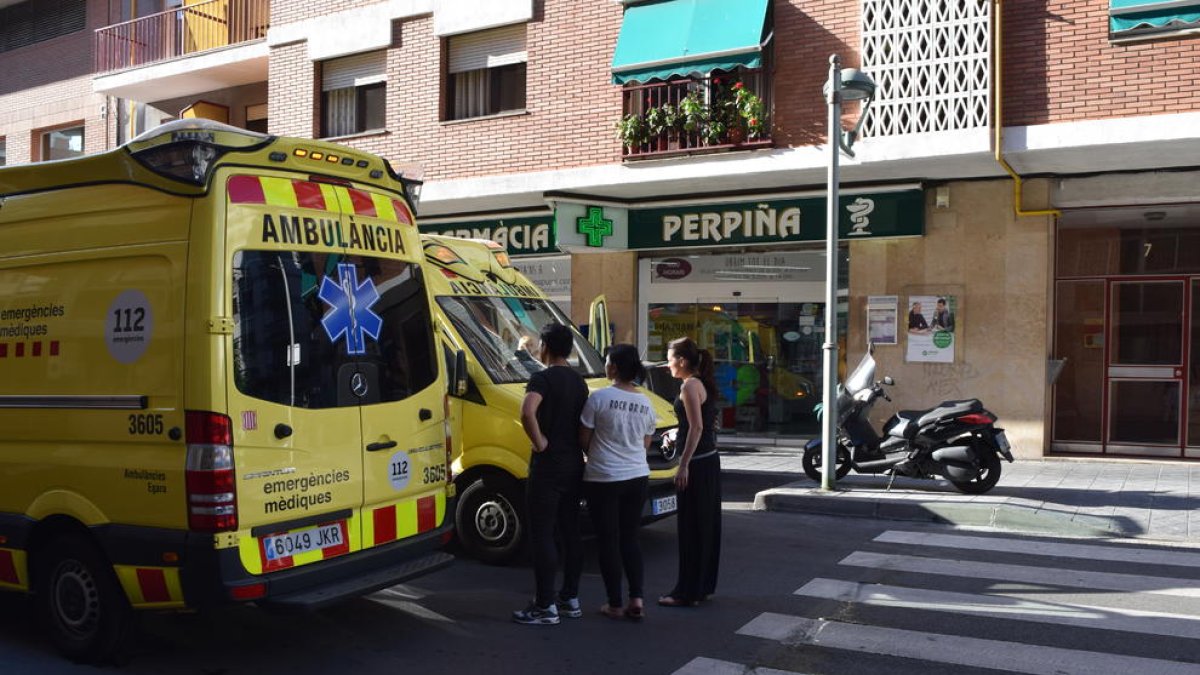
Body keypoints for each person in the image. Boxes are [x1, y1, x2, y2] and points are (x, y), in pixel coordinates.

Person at [512, 323, 590, 625]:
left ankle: (545, 605)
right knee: (571, 532)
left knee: (543, 534)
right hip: (573, 463)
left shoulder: (542, 378)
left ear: (545, 346)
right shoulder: (578, 381)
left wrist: (540, 441)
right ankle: (570, 598)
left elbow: (527, 411)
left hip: (548, 466)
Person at [579, 343, 656, 622]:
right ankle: (637, 598)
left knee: (608, 540)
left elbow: (584, 438)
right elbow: (645, 443)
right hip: (637, 475)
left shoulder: (598, 398)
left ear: (613, 367)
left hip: (604, 477)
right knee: (630, 538)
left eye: (608, 362)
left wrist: (595, 454)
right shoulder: (646, 401)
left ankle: (614, 603)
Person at [658, 336, 721, 608]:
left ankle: (685, 592)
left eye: (670, 358)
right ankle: (701, 587)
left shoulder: (689, 386)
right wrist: (676, 434)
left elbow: (696, 428)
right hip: (708, 459)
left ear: (682, 361)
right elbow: (697, 425)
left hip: (696, 463)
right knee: (705, 526)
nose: (667, 364)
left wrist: (682, 464)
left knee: (690, 528)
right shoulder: (702, 383)